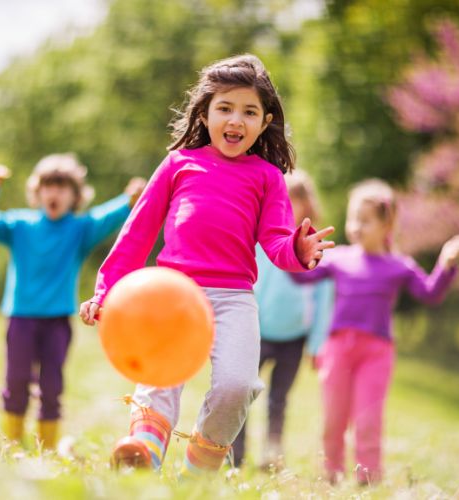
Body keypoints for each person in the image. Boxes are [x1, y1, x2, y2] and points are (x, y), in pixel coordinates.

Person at [79, 54, 335, 475]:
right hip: (172, 294)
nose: (236, 120)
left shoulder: (268, 176)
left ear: (265, 121)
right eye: (225, 108)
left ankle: (201, 467)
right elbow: (136, 234)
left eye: (249, 112)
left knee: (238, 385)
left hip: (233, 298)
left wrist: (299, 251)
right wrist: (106, 290)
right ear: (206, 112)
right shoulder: (179, 164)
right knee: (160, 378)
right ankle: (143, 450)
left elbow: (275, 242)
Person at [290, 178, 459, 485]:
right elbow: (301, 278)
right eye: (352, 218)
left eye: (365, 220)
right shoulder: (338, 258)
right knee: (333, 419)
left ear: (387, 226)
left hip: (376, 353)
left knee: (368, 421)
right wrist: (297, 252)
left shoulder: (400, 266)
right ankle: (331, 475)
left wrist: (446, 265)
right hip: (338, 350)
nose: (356, 226)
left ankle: (367, 481)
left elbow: (430, 293)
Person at [0, 155, 145, 449]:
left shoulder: (79, 229)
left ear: (75, 196)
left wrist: (131, 199)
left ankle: (46, 447)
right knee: (15, 383)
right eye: (49, 186)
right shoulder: (20, 225)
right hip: (21, 319)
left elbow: (109, 216)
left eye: (63, 187)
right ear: (37, 193)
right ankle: (12, 443)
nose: (55, 193)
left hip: (57, 323)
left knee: (52, 386)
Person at [231, 169, 334, 470]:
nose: (288, 204)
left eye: (295, 199)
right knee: (242, 394)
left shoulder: (314, 246)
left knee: (278, 400)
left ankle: (271, 455)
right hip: (257, 332)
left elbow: (323, 300)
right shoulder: (261, 237)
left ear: (306, 204)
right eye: (282, 198)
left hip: (294, 338)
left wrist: (317, 344)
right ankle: (234, 454)